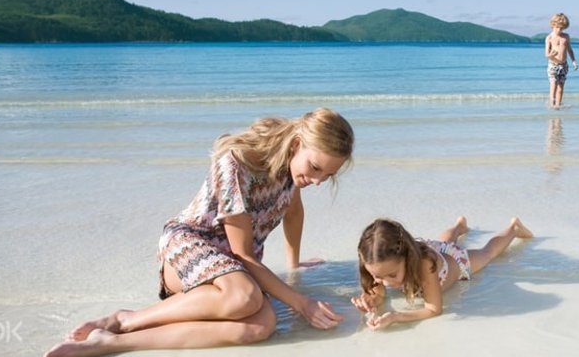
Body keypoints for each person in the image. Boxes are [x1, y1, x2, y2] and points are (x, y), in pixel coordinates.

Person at [45, 108, 355, 357]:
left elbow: (294, 210)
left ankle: (113, 343)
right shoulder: (237, 163)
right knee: (244, 296)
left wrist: (294, 266)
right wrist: (300, 302)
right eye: (315, 168)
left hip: (235, 269)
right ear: (297, 143)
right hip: (188, 248)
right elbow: (242, 253)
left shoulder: (290, 169)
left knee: (261, 326)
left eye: (327, 175)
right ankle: (125, 319)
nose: (317, 180)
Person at [351, 216, 533, 330]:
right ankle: (459, 225)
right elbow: (379, 289)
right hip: (434, 249)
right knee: (445, 241)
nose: (386, 283)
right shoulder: (379, 262)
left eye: (392, 275)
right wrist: (373, 298)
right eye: (377, 276)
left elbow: (433, 309)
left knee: (487, 253)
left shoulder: (424, 265)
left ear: (407, 257)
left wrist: (395, 317)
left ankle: (513, 228)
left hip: (456, 263)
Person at [544, 13, 577, 109]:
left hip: (563, 65)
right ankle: (552, 104)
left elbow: (569, 50)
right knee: (553, 84)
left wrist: (574, 61)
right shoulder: (549, 38)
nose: (560, 30)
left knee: (561, 86)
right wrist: (551, 55)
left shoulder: (566, 36)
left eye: (562, 28)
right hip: (553, 64)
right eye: (558, 27)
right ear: (553, 25)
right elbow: (546, 54)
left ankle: (558, 105)